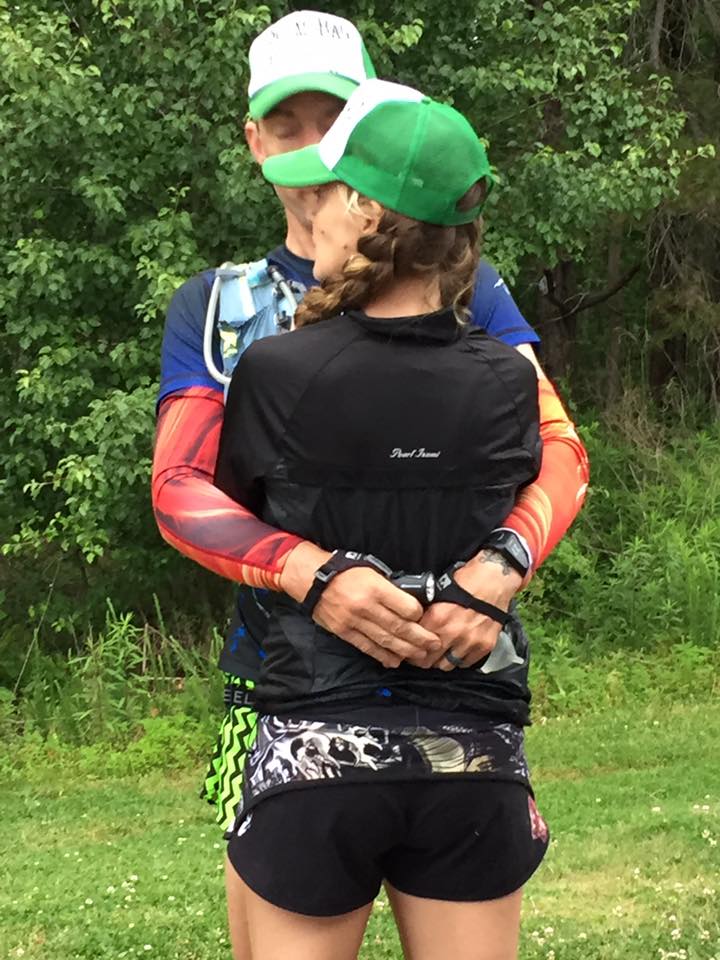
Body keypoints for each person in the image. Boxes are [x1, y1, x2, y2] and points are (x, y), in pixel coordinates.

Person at [150, 10, 589, 959]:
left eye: (335, 120)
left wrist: (498, 574)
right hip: (272, 676)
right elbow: (180, 488)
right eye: (290, 123)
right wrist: (313, 572)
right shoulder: (221, 304)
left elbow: (560, 450)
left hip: (455, 669)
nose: (312, 148)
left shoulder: (471, 290)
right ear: (255, 141)